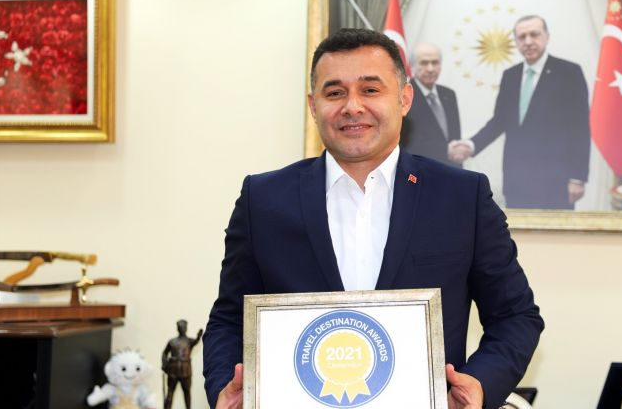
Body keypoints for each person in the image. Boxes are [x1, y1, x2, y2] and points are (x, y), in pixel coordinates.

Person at [203, 28, 544, 409]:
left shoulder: (462, 197)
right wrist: (224, 387)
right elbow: (229, 320)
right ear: (314, 106)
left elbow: (516, 316)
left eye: (370, 89)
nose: (352, 106)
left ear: (404, 98)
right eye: (335, 93)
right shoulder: (262, 200)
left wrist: (479, 384)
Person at [450, 15, 591, 210]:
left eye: (534, 34)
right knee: (518, 229)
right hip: (516, 180)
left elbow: (580, 128)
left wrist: (577, 177)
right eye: (522, 37)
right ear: (516, 41)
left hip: (556, 182)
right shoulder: (511, 75)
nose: (528, 41)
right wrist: (471, 145)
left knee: (554, 231)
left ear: (547, 37)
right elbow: (499, 121)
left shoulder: (569, 72)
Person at [401, 42, 463, 167]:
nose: (430, 68)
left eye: (435, 63)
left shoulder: (449, 95)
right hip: (420, 170)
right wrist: (446, 150)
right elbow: (405, 143)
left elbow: (454, 138)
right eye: (424, 63)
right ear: (412, 66)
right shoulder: (403, 96)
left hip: (451, 170)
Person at [161, 319, 203, 409]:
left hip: (185, 371)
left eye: (183, 327)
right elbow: (164, 353)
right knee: (170, 392)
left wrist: (198, 336)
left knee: (187, 392)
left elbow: (196, 341)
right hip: (173, 371)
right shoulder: (172, 342)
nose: (182, 328)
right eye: (180, 327)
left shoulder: (189, 341)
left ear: (186, 328)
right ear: (177, 328)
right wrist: (165, 364)